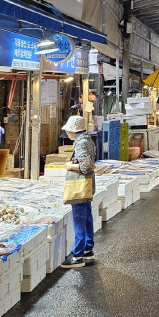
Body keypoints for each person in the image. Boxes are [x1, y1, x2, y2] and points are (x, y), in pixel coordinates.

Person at [61, 115, 97, 269]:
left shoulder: (80, 143)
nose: (67, 133)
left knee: (79, 220)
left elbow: (87, 165)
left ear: (73, 131)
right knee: (87, 216)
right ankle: (88, 249)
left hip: (79, 186)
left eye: (68, 130)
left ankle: (78, 255)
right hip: (87, 185)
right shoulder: (87, 139)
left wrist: (70, 166)